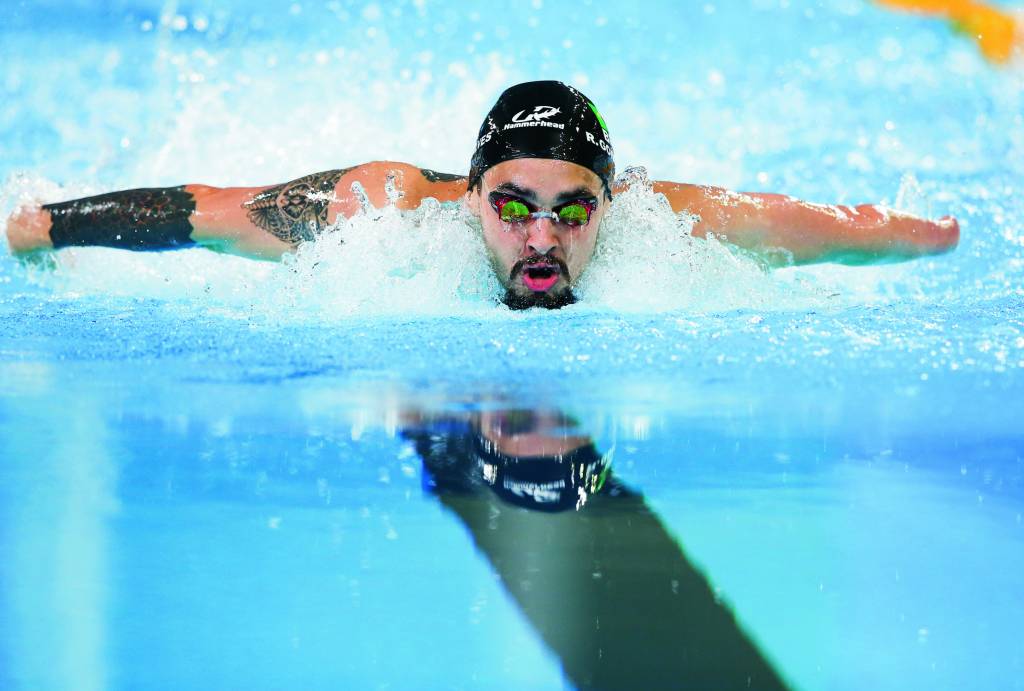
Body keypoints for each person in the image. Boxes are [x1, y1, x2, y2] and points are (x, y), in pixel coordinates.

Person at [4, 80, 959, 310]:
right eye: (512, 204)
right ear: (468, 197)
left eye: (573, 209)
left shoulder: (675, 224)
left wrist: (938, 239)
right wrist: (42, 226)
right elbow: (203, 211)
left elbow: (853, 234)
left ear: (611, 204)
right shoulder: (377, 217)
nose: (543, 235)